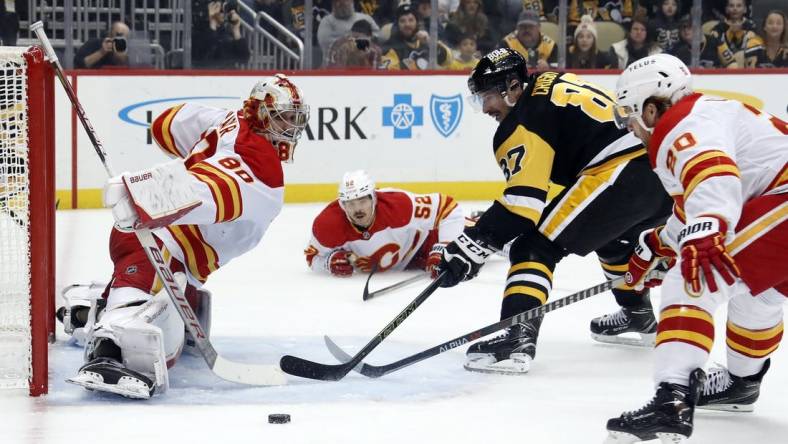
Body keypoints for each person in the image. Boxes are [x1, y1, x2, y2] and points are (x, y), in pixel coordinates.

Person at [57, 74, 309, 399]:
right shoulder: (262, 168)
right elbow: (207, 191)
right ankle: (109, 349)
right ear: (261, 112)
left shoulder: (228, 120)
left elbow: (165, 124)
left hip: (171, 253)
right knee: (146, 330)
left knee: (177, 324)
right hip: (156, 244)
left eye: (295, 119)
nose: (291, 127)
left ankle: (84, 309)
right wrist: (145, 197)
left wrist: (158, 186)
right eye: (284, 117)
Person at [434, 48, 673, 375]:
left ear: (514, 87)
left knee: (534, 247)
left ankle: (516, 335)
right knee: (612, 240)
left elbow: (523, 205)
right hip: (661, 178)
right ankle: (638, 315)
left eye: (489, 96)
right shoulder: (550, 84)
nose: (486, 108)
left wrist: (473, 243)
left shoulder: (524, 117)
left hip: (622, 174)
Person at [605, 53, 787, 443]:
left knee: (691, 282)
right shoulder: (703, 114)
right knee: (758, 296)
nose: (630, 127)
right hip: (777, 202)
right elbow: (700, 197)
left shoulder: (678, 124)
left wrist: (704, 234)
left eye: (629, 115)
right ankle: (741, 383)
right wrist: (659, 243)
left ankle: (671, 401)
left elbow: (714, 173)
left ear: (652, 109)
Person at [305, 170, 465, 278]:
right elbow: (312, 257)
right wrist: (328, 263)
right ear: (342, 206)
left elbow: (449, 209)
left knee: (479, 239)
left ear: (373, 199)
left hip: (424, 245)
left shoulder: (398, 205)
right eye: (350, 204)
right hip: (397, 264)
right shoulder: (327, 225)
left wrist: (443, 250)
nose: (357, 209)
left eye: (362, 201)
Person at [380, 4, 453, 70]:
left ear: (417, 23)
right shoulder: (390, 47)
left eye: (411, 20)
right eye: (402, 21)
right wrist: (406, 66)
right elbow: (388, 73)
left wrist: (430, 42)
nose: (407, 24)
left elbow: (448, 61)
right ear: (397, 25)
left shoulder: (426, 41)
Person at [317, 0, 379, 66]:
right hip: (335, 67)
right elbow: (326, 44)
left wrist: (363, 41)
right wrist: (351, 39)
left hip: (365, 66)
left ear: (351, 1)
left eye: (344, 1)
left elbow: (378, 37)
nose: (339, 4)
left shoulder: (366, 18)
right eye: (336, 2)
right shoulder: (327, 21)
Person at [192, 1, 252, 68]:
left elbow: (244, 58)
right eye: (220, 10)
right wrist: (212, 23)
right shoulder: (199, 32)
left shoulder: (226, 33)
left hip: (228, 75)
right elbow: (204, 56)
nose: (223, 13)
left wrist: (236, 30)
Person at [709, 0, 763, 67]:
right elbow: (714, 45)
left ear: (745, 9)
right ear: (727, 9)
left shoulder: (750, 26)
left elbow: (756, 47)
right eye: (731, 6)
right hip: (724, 65)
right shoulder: (719, 27)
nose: (735, 8)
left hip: (745, 64)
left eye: (739, 6)